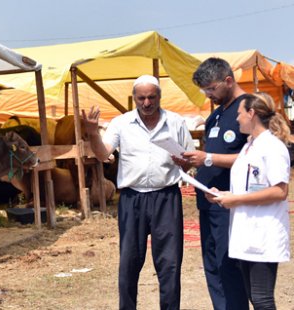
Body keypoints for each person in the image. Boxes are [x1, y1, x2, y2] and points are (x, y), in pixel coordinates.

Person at [81, 75, 195, 309]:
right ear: (134, 98)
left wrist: (182, 161)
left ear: (159, 97)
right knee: (129, 262)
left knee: (170, 263)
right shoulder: (121, 123)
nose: (146, 102)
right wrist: (93, 134)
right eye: (141, 98)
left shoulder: (175, 122)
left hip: (166, 197)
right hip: (132, 199)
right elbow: (103, 154)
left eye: (151, 97)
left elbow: (189, 160)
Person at [207, 92, 290, 309]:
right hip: (246, 231)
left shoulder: (272, 147)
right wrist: (223, 194)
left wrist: (237, 199)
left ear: (251, 113)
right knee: (253, 296)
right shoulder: (248, 146)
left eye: (239, 113)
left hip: (263, 232)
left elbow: (280, 191)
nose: (236, 119)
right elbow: (245, 187)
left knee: (262, 298)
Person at [182, 57, 249, 309]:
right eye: (205, 90)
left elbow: (253, 158)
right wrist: (190, 161)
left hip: (231, 202)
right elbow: (211, 155)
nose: (209, 95)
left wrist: (208, 158)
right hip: (207, 202)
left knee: (229, 264)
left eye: (211, 88)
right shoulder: (215, 115)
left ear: (228, 80)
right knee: (212, 265)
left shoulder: (249, 108)